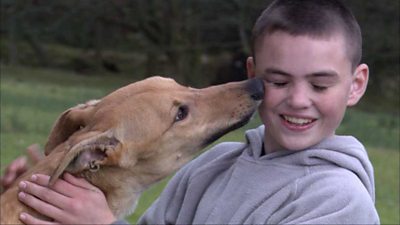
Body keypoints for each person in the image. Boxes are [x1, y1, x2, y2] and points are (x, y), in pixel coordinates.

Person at [7, 0, 380, 224]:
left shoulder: (339, 201)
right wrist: (34, 195)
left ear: (356, 85)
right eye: (279, 81)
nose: (299, 100)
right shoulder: (213, 165)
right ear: (254, 75)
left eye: (319, 84)